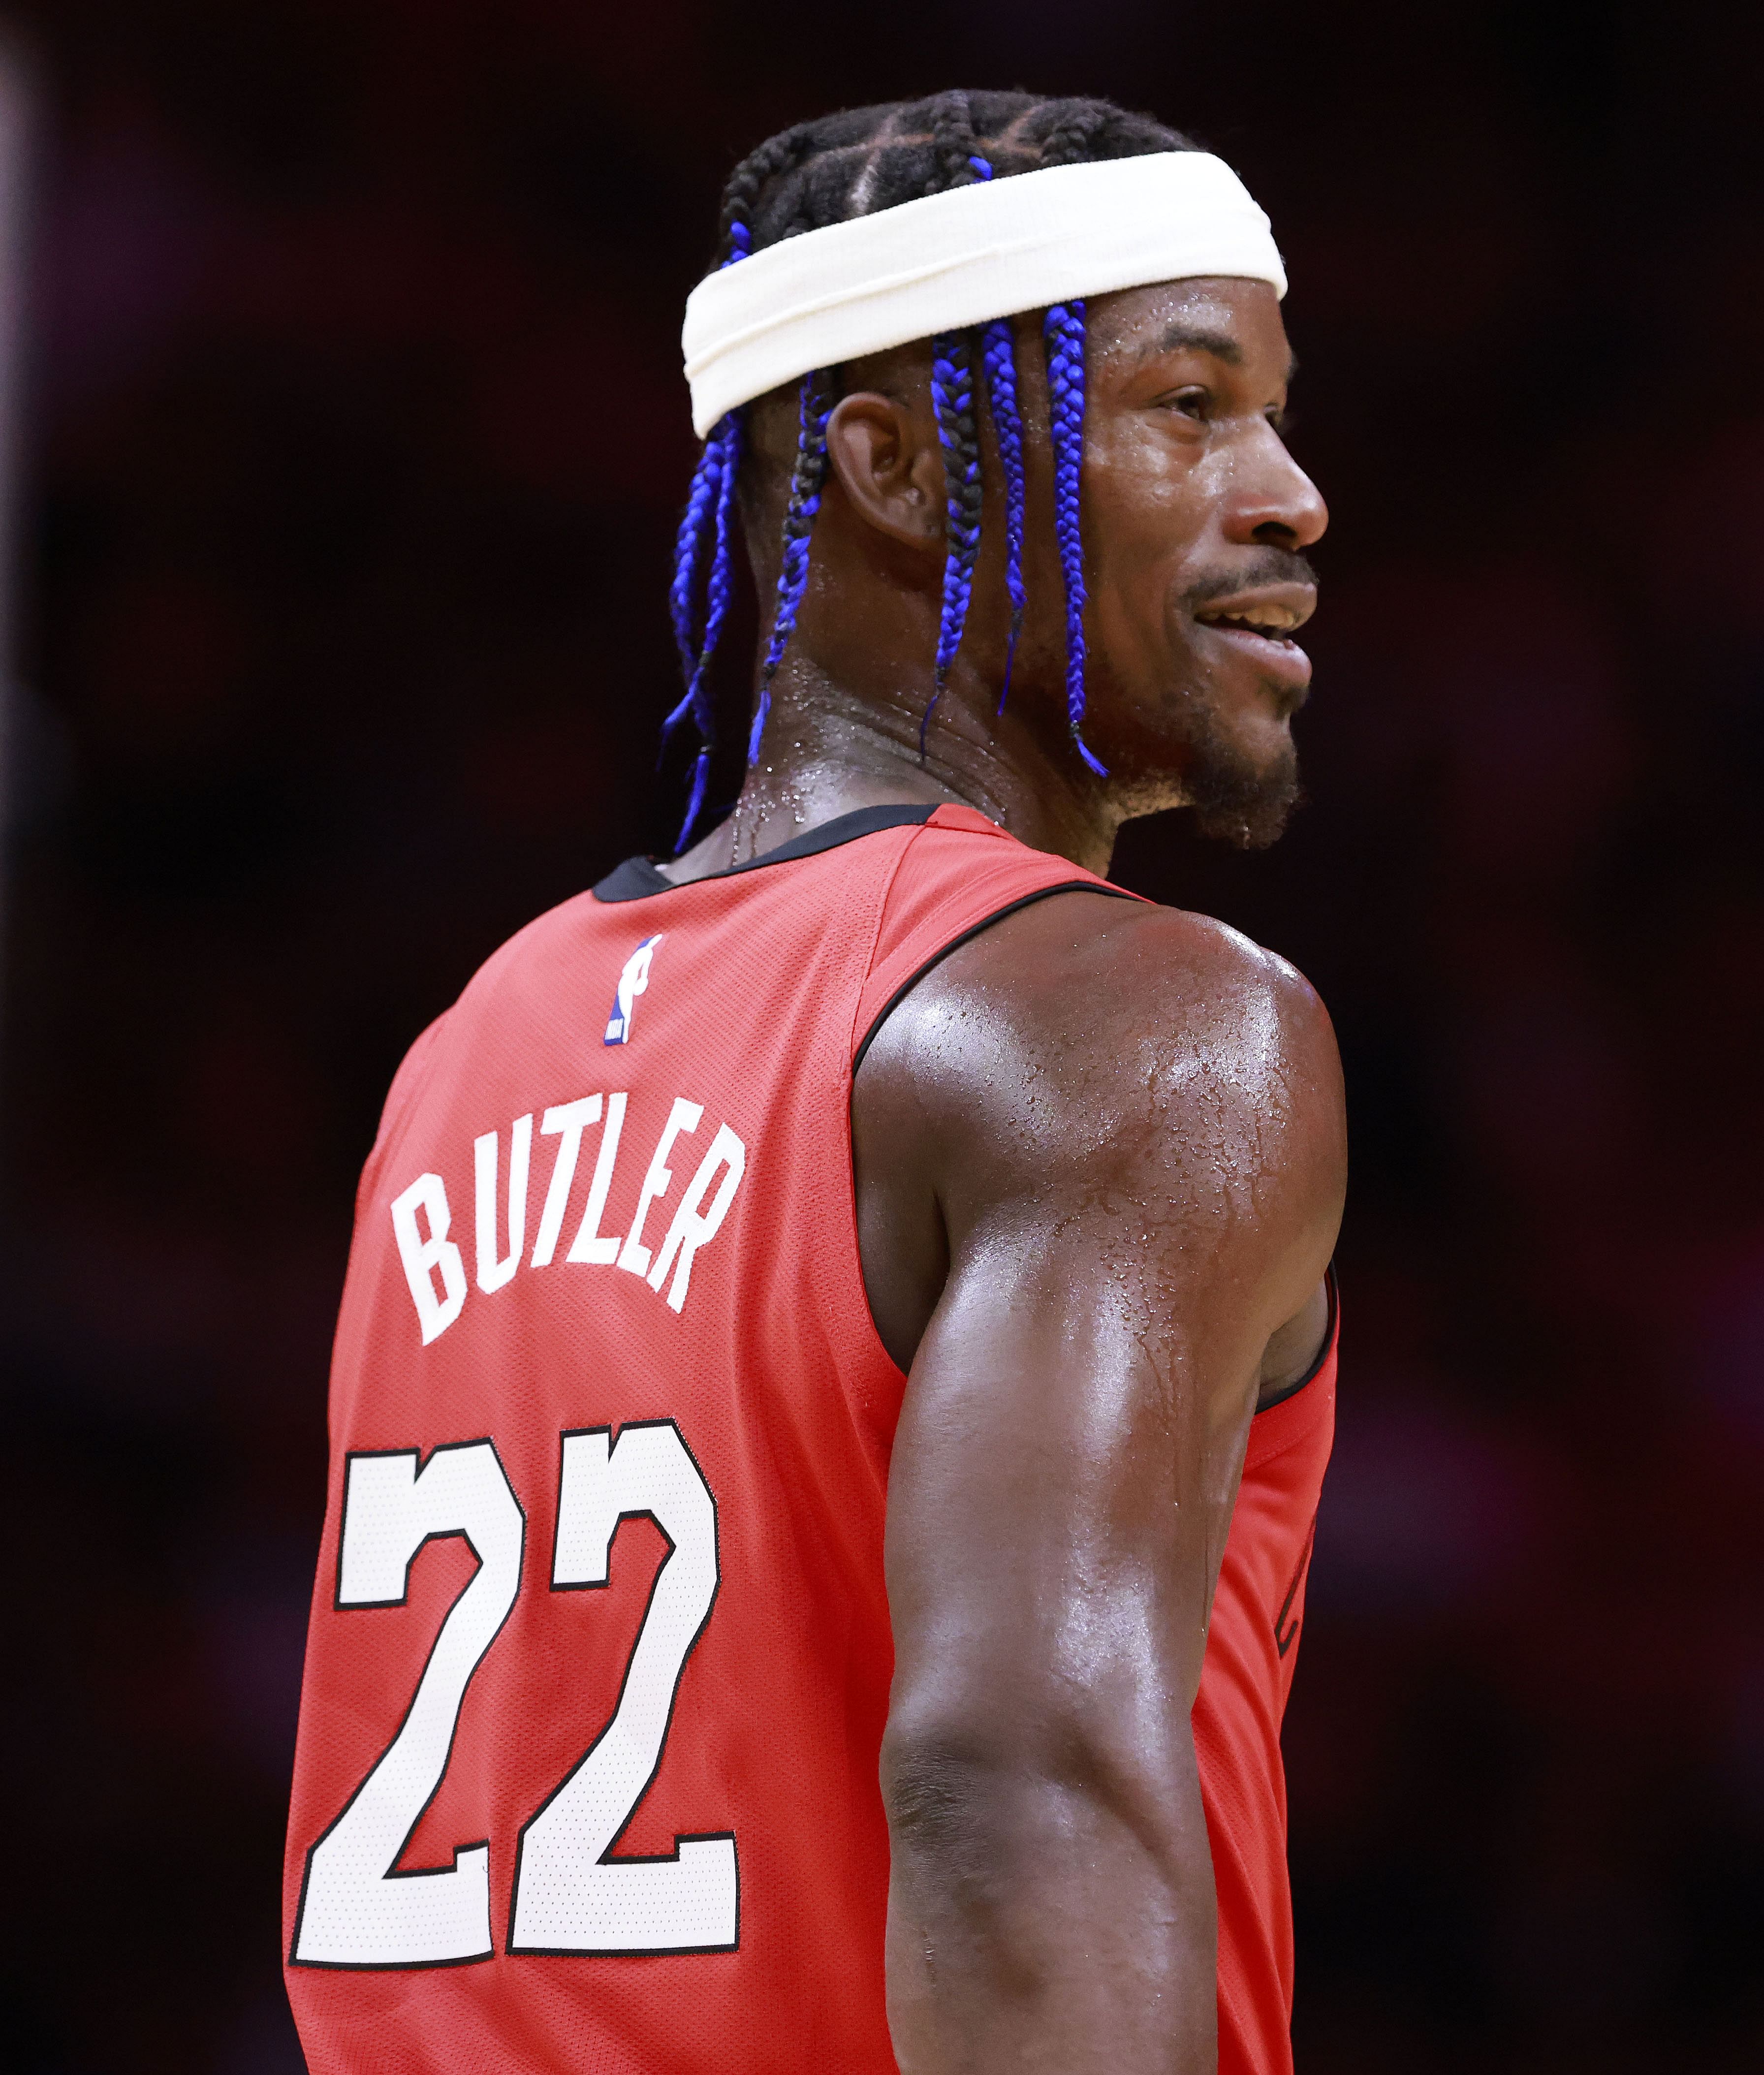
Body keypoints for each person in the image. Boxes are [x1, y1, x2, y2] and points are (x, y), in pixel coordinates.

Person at [280, 91, 1344, 2075]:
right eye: (1189, 408)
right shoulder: (1128, 1020)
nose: (1289, 493)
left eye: (1273, 411)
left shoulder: (471, 1048)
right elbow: (1014, 1783)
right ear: (897, 467)